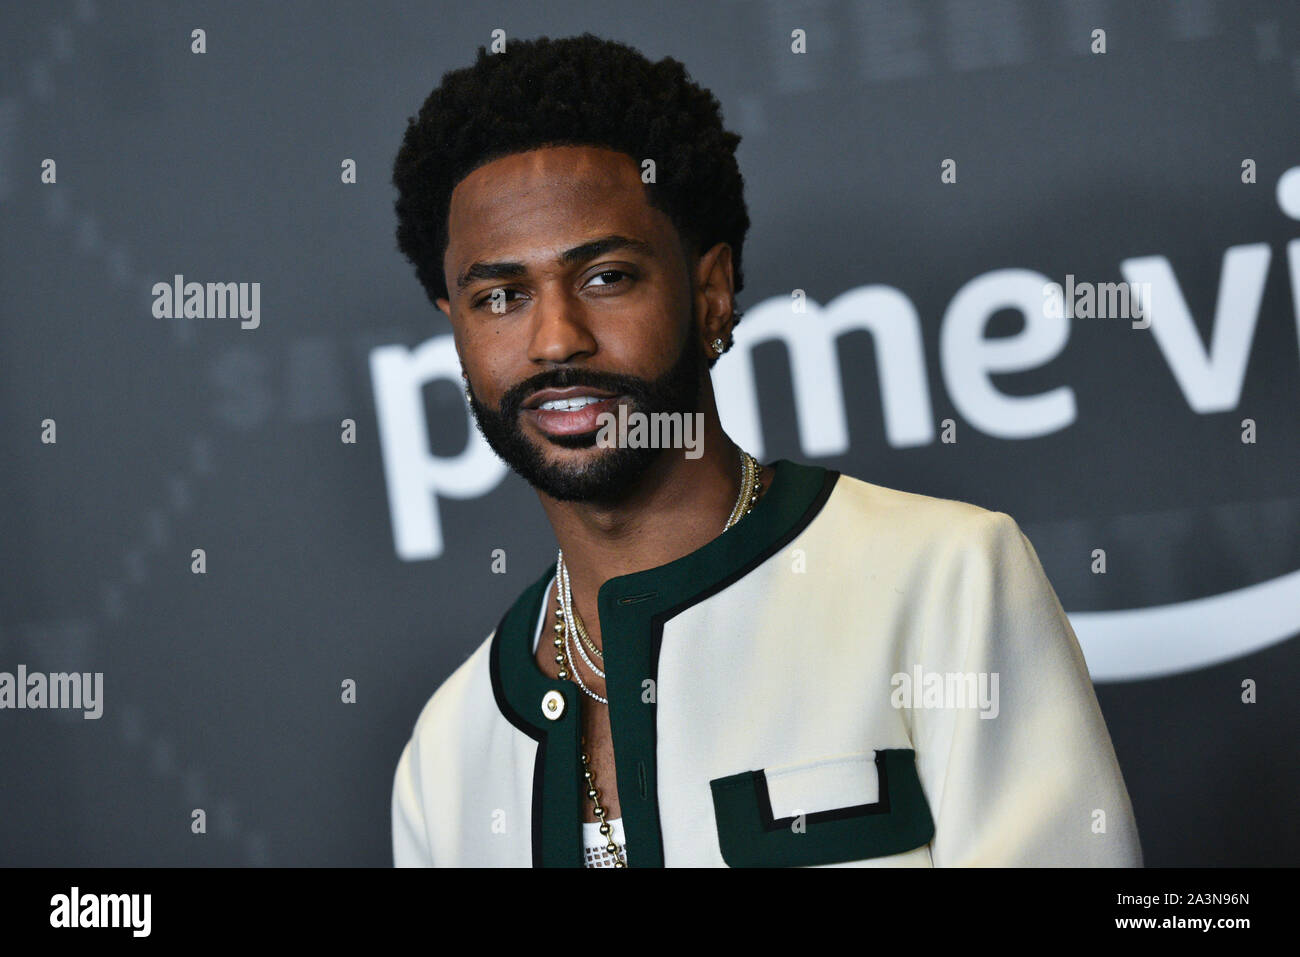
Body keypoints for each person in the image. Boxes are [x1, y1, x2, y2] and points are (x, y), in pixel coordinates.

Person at [388, 33, 1142, 867]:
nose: (555, 338)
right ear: (455, 332)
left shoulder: (946, 578)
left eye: (606, 277)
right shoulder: (445, 754)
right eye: (500, 296)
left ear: (711, 293)